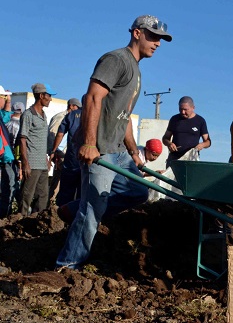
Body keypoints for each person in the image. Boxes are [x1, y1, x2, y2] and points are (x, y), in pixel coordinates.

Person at [56, 15, 172, 269]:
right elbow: (92, 98)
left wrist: (134, 153)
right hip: (99, 148)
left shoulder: (136, 70)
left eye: (161, 39)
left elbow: (125, 117)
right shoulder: (116, 60)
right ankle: (67, 264)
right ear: (137, 33)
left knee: (138, 192)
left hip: (118, 150)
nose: (158, 43)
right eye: (153, 36)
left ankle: (74, 209)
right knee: (92, 211)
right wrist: (88, 142)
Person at [19, 83, 56, 216]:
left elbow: (42, 139)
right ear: (41, 96)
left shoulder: (43, 115)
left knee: (43, 196)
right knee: (26, 196)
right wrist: (25, 163)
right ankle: (20, 222)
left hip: (42, 164)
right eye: (49, 96)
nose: (50, 99)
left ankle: (36, 223)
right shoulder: (28, 115)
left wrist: (46, 158)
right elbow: (22, 139)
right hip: (32, 163)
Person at [50, 98, 83, 206]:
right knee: (82, 192)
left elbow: (60, 134)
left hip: (71, 158)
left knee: (66, 191)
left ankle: (61, 216)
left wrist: (53, 150)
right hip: (86, 159)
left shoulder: (71, 115)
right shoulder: (94, 115)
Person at [163, 96, 210, 166]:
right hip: (174, 159)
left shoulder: (200, 121)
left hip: (191, 159)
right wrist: (169, 144)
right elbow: (165, 138)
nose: (183, 112)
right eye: (180, 109)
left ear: (193, 108)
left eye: (185, 110)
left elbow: (208, 142)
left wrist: (202, 145)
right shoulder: (174, 119)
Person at [0, 86, 17, 218]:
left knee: (8, 185)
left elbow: (6, 116)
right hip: (2, 157)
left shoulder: (1, 116)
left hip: (4, 158)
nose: (6, 100)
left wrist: (8, 101)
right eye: (4, 98)